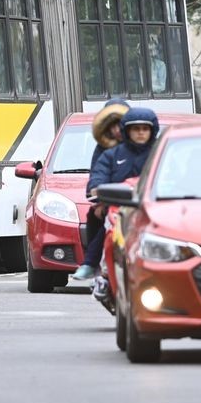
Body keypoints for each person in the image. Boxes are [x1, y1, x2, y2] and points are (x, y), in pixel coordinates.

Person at [80, 107, 161, 304]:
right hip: (119, 210)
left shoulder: (160, 153)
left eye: (145, 128)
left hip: (154, 212)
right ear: (126, 131)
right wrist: (99, 195)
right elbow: (96, 182)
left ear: (153, 130)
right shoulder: (111, 155)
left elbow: (176, 178)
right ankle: (102, 272)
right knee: (108, 227)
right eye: (136, 129)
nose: (141, 132)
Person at [68, 98, 129, 282]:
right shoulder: (104, 150)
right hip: (114, 204)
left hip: (141, 204)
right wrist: (100, 199)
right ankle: (92, 264)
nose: (117, 130)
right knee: (99, 218)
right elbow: (97, 175)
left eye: (121, 125)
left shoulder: (147, 148)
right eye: (112, 125)